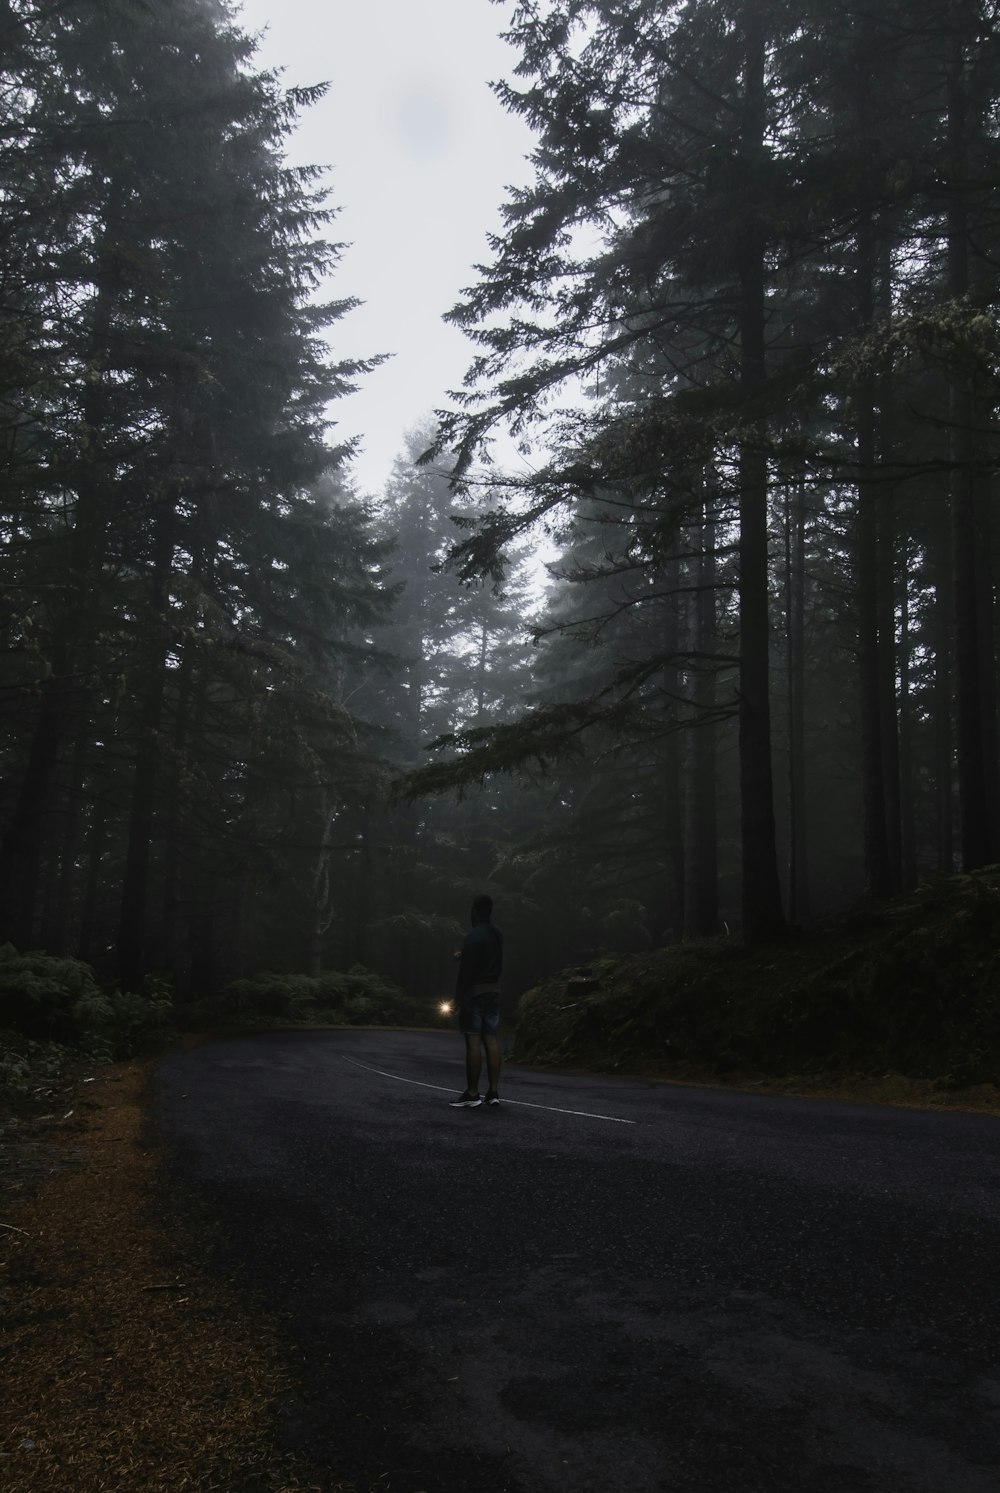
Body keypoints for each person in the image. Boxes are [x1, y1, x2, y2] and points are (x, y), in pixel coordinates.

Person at [449, 893, 503, 1108]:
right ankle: (493, 1092)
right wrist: (466, 953)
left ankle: (472, 1093)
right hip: (494, 991)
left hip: (475, 993)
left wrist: (457, 999)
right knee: (491, 1039)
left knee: (473, 1041)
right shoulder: (498, 934)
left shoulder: (473, 935)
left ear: (474, 911)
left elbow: (467, 972)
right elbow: (487, 954)